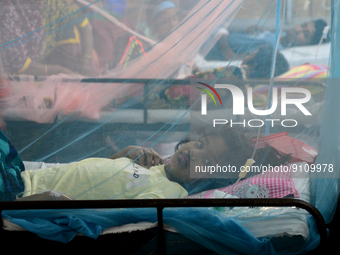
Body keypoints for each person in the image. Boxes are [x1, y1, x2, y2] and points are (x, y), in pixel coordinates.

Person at [2, 124, 291, 201]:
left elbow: (115, 211)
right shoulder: (152, 165)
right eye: (199, 145)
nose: (194, 153)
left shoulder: (170, 193)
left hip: (23, 196)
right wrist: (123, 154)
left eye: (209, 160)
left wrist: (40, 205)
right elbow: (92, 172)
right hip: (23, 176)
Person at [0, 0, 95, 76]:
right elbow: (19, 64)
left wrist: (87, 56)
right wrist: (59, 72)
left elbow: (84, 24)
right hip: (12, 78)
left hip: (44, 68)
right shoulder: (9, 10)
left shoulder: (53, 3)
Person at [206, 19, 330, 61]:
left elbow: (234, 59)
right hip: (215, 40)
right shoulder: (281, 35)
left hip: (212, 50)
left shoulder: (273, 49)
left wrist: (222, 37)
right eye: (303, 25)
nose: (299, 30)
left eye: (305, 34)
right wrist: (250, 32)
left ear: (306, 45)